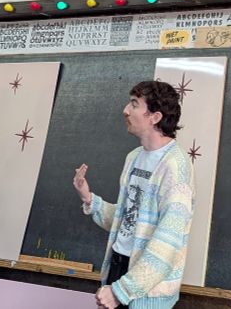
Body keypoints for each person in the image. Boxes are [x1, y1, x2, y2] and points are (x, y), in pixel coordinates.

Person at [74, 81, 195, 309]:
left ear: (155, 117)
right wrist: (89, 199)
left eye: (134, 104)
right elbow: (128, 220)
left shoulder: (175, 167)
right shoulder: (134, 157)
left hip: (146, 289)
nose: (125, 110)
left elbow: (168, 243)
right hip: (118, 267)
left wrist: (122, 291)